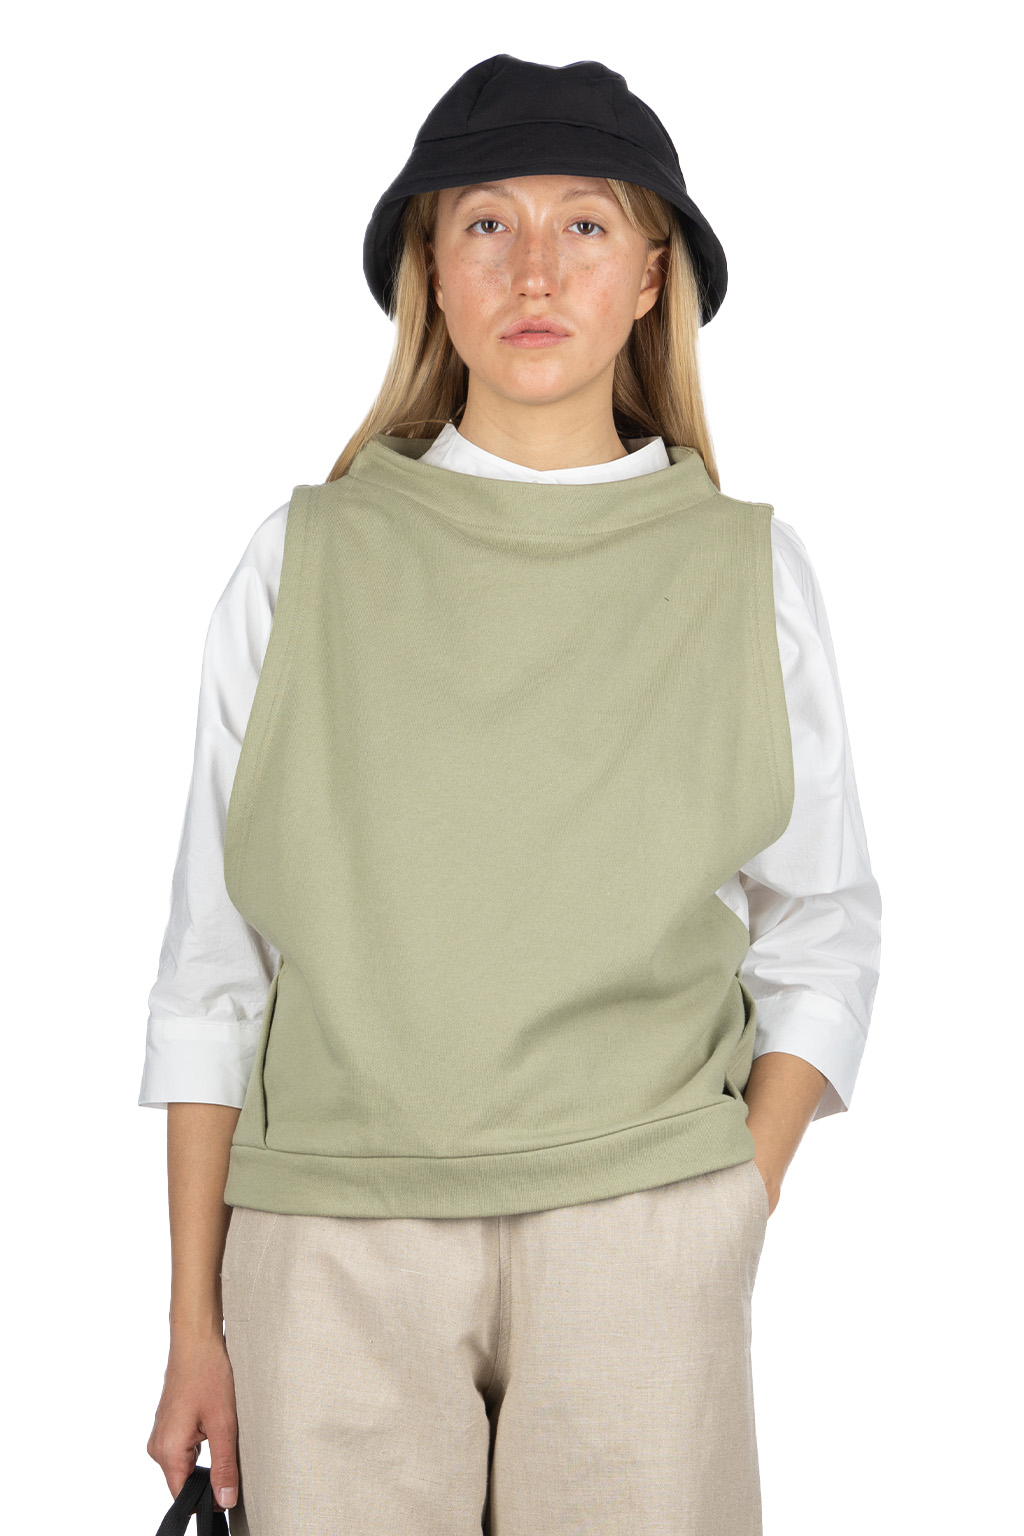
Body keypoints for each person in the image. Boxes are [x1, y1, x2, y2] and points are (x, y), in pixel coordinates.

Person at [141, 53, 882, 1536]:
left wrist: (731, 1197)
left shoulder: (744, 573)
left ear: (652, 275)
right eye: (487, 222)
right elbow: (215, 961)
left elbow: (825, 928)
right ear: (430, 262)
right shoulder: (304, 560)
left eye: (585, 224)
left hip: (643, 1226)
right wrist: (192, 1321)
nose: (535, 270)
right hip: (331, 1240)